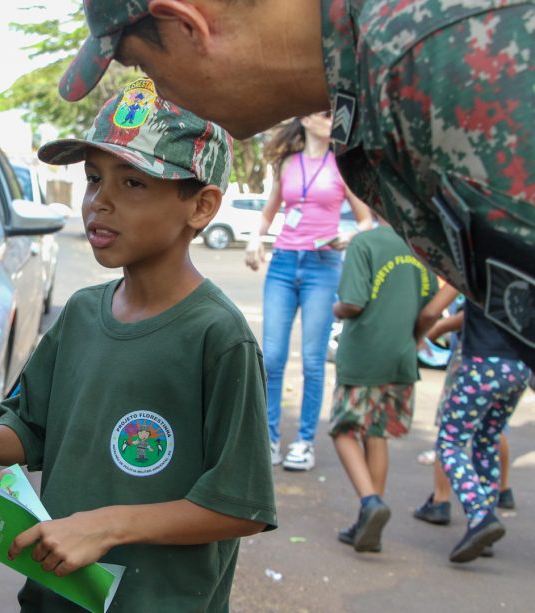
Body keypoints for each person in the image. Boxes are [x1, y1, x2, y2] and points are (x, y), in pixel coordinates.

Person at [0, 78, 277, 611]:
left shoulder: (218, 338)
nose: (98, 203)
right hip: (55, 596)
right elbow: (33, 430)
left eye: (132, 183)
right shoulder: (82, 313)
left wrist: (106, 527)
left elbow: (240, 505)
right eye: (92, 179)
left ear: (200, 207)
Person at [57, 0, 535, 367]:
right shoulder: (374, 76)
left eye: (147, 70)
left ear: (188, 26)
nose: (157, 93)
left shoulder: (431, 55)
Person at [246, 114, 372, 470]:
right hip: (284, 263)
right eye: (324, 115)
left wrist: (350, 236)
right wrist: (256, 238)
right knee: (271, 357)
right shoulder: (288, 163)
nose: (331, 120)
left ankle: (304, 442)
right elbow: (269, 214)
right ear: (305, 119)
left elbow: (365, 220)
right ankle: (268, 439)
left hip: (323, 263)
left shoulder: (341, 164)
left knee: (314, 361)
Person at [327, 219, 433, 552]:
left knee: (343, 430)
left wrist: (335, 308)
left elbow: (353, 302)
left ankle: (370, 502)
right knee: (377, 432)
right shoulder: (420, 246)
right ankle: (368, 522)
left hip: (364, 356)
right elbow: (428, 308)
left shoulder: (365, 243)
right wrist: (413, 339)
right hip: (401, 355)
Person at [413, 287, 529, 563]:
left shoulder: (478, 260)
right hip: (520, 366)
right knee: (487, 440)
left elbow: (432, 310)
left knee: (450, 442)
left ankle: (480, 515)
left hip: (482, 363)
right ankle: (483, 530)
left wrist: (417, 337)